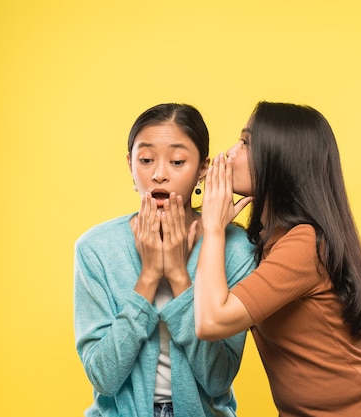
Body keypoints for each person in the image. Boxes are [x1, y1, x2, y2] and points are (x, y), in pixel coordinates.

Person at [194, 101, 361, 416]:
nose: (229, 154)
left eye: (246, 143)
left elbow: (211, 321)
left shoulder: (305, 244)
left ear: (279, 161)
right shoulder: (270, 241)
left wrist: (213, 228)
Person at [74, 103, 255, 417]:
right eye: (145, 160)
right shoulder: (96, 249)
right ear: (130, 164)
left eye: (177, 161)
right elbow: (104, 377)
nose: (159, 174)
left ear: (202, 168)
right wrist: (148, 277)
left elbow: (217, 379)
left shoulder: (236, 250)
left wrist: (178, 277)